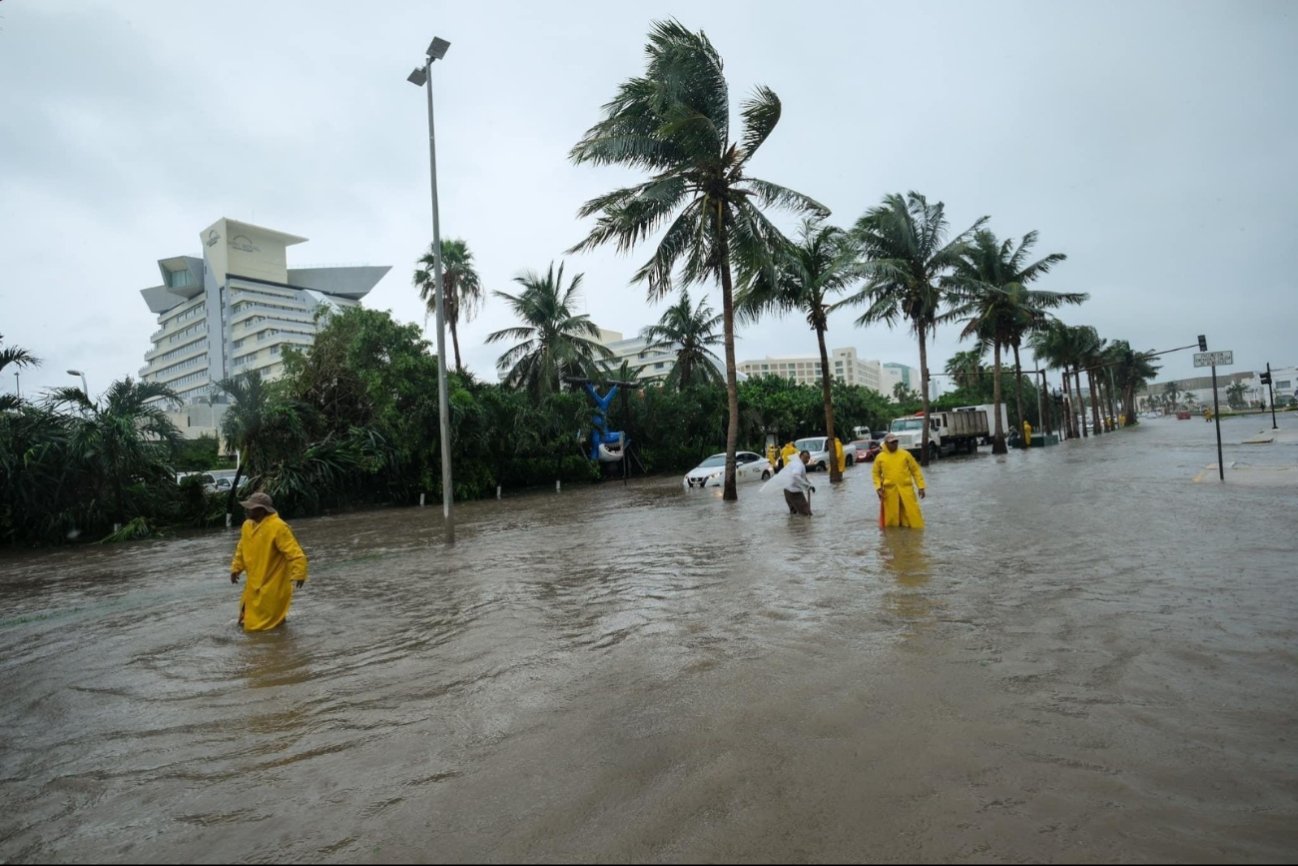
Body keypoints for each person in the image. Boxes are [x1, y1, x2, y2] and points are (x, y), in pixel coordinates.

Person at [229, 492, 308, 631]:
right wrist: (236, 568)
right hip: (253, 584)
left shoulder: (278, 526)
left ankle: (276, 647)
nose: (247, 510)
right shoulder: (247, 526)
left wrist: (299, 573)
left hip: (273, 583)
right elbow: (241, 548)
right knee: (246, 620)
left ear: (261, 510)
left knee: (265, 626)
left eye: (251, 508)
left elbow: (294, 552)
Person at [872, 432, 926, 528]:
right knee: (892, 519)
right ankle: (894, 539)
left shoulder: (905, 454)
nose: (895, 444)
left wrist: (921, 487)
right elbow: (875, 474)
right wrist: (878, 488)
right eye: (892, 442)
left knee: (912, 514)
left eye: (896, 441)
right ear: (886, 443)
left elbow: (915, 470)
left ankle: (916, 534)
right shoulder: (880, 457)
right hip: (889, 491)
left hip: (906, 489)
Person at [783, 449, 815, 515]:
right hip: (794, 492)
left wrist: (809, 484)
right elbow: (795, 475)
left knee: (794, 513)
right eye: (805, 458)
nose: (807, 460)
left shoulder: (795, 462)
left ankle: (795, 525)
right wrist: (807, 486)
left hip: (787, 490)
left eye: (808, 458)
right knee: (807, 514)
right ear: (800, 456)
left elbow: (803, 478)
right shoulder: (799, 465)